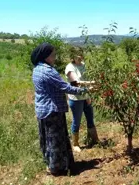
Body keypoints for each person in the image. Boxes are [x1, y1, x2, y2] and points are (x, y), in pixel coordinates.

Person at [31, 43, 89, 176]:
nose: (55, 57)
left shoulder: (37, 68)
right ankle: (56, 167)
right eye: (53, 55)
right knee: (55, 139)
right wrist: (83, 91)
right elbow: (65, 87)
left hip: (42, 109)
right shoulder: (48, 71)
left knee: (47, 138)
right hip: (52, 110)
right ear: (46, 56)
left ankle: (51, 163)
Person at [65, 47, 99, 153]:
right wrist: (93, 84)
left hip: (85, 96)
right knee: (77, 120)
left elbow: (87, 77)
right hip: (76, 98)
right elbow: (77, 82)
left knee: (90, 117)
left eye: (81, 54)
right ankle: (75, 144)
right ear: (72, 56)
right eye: (77, 55)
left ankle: (94, 139)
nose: (79, 56)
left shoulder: (83, 65)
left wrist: (88, 95)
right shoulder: (70, 68)